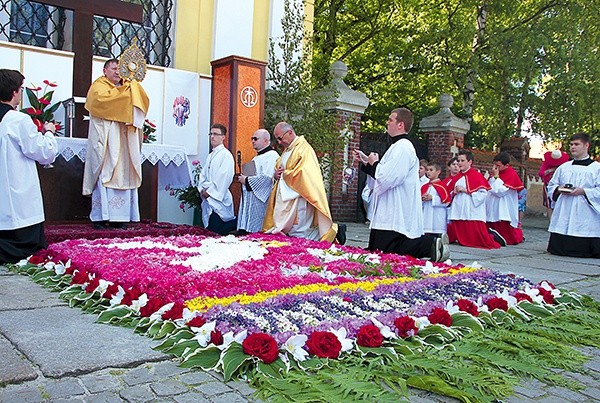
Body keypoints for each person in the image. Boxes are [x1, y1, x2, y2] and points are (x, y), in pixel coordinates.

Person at [353, 108, 448, 261]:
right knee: (378, 249)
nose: (387, 122)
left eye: (391, 120)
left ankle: (430, 244)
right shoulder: (398, 146)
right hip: (389, 207)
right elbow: (385, 172)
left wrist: (374, 163)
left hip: (396, 208)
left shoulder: (403, 147)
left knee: (389, 250)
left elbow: (389, 177)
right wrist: (366, 162)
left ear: (400, 124)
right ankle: (431, 244)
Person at [82, 58, 150, 230]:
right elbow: (102, 103)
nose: (117, 72)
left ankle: (121, 217)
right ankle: (100, 217)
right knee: (105, 172)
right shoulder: (98, 87)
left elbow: (141, 103)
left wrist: (131, 88)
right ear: (105, 71)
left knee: (125, 174)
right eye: (113, 69)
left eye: (120, 69)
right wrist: (126, 97)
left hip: (125, 139)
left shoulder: (129, 86)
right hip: (107, 139)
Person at [0, 69, 58, 263]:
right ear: (15, 92)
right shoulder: (17, 120)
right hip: (14, 190)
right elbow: (43, 152)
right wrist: (49, 132)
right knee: (27, 246)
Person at [263, 122, 342, 243]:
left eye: (280, 138)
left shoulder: (304, 149)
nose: (279, 142)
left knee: (299, 229)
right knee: (286, 229)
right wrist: (277, 173)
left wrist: (285, 174)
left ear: (289, 132)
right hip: (286, 195)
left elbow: (304, 172)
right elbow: (280, 166)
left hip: (299, 196)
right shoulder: (288, 150)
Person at [547, 132, 600, 257]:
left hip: (585, 209)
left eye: (576, 144)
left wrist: (583, 191)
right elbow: (551, 185)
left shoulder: (596, 168)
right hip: (565, 206)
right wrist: (559, 189)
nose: (572, 147)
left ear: (586, 145)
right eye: (571, 144)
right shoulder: (564, 167)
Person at [447, 149, 501, 249]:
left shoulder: (477, 176)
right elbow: (448, 192)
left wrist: (466, 190)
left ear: (470, 162)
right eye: (458, 161)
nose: (459, 163)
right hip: (459, 206)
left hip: (471, 207)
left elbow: (483, 193)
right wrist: (453, 193)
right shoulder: (457, 177)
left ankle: (493, 236)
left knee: (479, 239)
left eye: (462, 161)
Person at [235, 129, 279, 234]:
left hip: (261, 202)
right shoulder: (257, 157)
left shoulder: (272, 156)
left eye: (255, 139)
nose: (253, 141)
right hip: (251, 199)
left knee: (257, 231)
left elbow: (267, 179)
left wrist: (246, 180)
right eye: (252, 139)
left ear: (265, 140)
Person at [198, 123, 237, 235]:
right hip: (208, 198)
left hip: (218, 198)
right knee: (209, 231)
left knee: (218, 231)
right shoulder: (210, 156)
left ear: (223, 137)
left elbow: (224, 178)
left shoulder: (226, 155)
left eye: (216, 134)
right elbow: (203, 176)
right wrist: (202, 189)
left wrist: (209, 192)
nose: (212, 137)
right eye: (211, 134)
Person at [486, 152, 524, 245]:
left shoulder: (511, 174)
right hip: (493, 204)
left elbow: (500, 192)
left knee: (506, 230)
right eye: (495, 165)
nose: (495, 168)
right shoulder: (495, 173)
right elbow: (489, 187)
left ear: (506, 165)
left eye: (498, 165)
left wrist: (496, 177)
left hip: (504, 205)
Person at [421, 161, 451, 236]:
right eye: (427, 170)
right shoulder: (425, 186)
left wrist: (433, 198)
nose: (428, 172)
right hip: (426, 215)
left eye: (431, 170)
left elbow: (446, 202)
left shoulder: (442, 186)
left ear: (438, 172)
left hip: (437, 217)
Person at [539, 149, 569, 218]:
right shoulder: (546, 163)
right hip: (548, 185)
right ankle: (551, 221)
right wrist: (551, 170)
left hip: (561, 186)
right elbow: (541, 173)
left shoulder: (565, 164)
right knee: (549, 204)